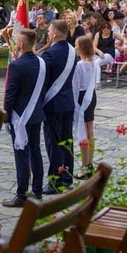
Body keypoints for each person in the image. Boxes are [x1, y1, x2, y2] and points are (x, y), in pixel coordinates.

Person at [3, 29, 46, 207]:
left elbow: (10, 94)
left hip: (20, 117)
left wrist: (6, 116)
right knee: (35, 151)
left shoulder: (17, 65)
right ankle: (37, 190)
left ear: (20, 45)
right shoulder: (42, 63)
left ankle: (22, 194)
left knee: (21, 154)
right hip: (35, 114)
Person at [40, 19, 76, 194]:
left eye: (49, 30)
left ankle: (54, 180)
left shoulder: (49, 55)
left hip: (53, 104)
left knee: (54, 143)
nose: (48, 33)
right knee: (67, 141)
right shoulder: (72, 51)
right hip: (68, 102)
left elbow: (42, 79)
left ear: (54, 33)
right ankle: (67, 176)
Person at [72, 35, 99, 179]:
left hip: (82, 98)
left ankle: (84, 165)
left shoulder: (80, 65)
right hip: (91, 96)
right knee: (90, 131)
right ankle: (90, 163)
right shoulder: (94, 63)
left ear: (81, 48)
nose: (75, 47)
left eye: (76, 45)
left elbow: (75, 86)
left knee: (83, 131)